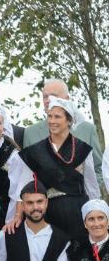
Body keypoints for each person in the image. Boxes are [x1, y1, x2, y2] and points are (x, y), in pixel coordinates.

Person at [15, 97, 99, 242]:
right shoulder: (36, 151)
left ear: (69, 120)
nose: (52, 121)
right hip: (48, 212)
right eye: (49, 116)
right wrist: (17, 215)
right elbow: (23, 185)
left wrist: (96, 211)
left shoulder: (82, 149)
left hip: (77, 210)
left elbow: (91, 185)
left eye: (57, 117)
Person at [23, 79, 103, 188]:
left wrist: (87, 194)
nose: (48, 100)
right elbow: (26, 174)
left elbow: (98, 169)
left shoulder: (87, 130)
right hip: (43, 202)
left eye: (53, 96)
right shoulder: (31, 133)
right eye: (45, 97)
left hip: (80, 200)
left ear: (67, 99)